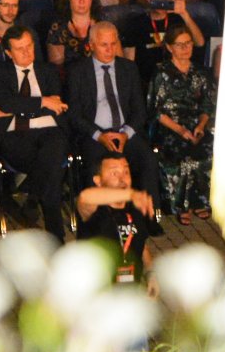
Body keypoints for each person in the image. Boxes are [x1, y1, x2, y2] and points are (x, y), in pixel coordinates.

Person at [0, 25, 72, 240]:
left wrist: (16, 107)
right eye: (19, 49)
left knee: (57, 143)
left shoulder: (47, 70)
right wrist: (42, 102)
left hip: (48, 130)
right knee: (52, 172)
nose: (26, 52)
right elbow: (4, 101)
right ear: (9, 52)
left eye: (29, 46)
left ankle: (33, 193)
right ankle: (54, 235)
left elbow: (56, 103)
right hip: (16, 134)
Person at [64, 21, 158, 199]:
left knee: (148, 160)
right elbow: (74, 114)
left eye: (113, 44)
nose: (109, 49)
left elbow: (139, 110)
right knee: (94, 167)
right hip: (94, 134)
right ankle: (99, 221)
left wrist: (126, 134)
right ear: (91, 45)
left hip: (125, 131)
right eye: (103, 45)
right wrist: (98, 135)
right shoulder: (77, 72)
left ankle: (148, 218)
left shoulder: (129, 68)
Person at [147, 26, 216, 222]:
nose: (185, 48)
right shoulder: (161, 72)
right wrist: (180, 130)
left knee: (208, 151)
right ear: (169, 47)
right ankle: (180, 205)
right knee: (182, 156)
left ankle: (201, 201)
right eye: (180, 45)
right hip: (170, 126)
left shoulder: (200, 72)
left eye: (188, 43)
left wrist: (201, 126)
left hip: (196, 125)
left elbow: (207, 105)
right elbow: (156, 110)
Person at [76, 154, 160, 286]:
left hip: (130, 288)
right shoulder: (94, 209)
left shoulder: (134, 207)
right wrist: (131, 194)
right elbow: (84, 197)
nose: (123, 179)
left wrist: (151, 274)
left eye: (126, 172)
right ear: (98, 180)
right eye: (114, 173)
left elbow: (141, 244)